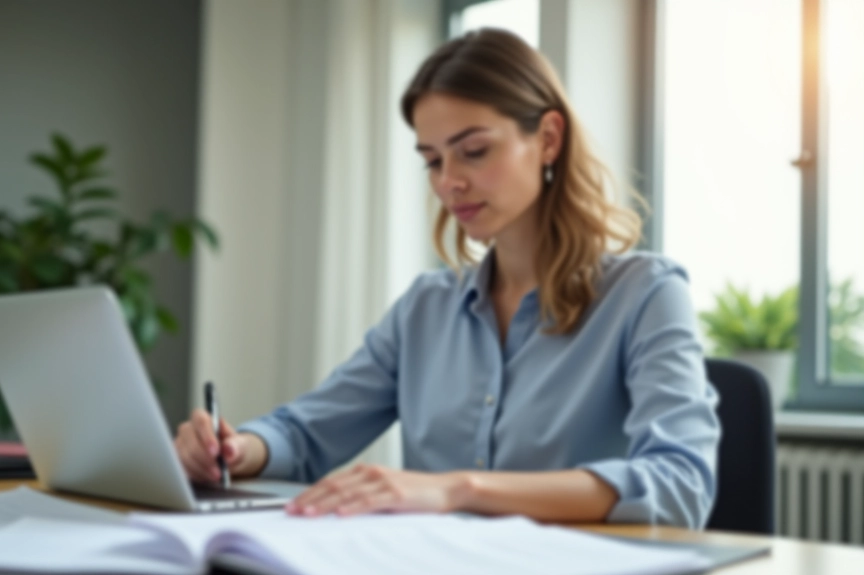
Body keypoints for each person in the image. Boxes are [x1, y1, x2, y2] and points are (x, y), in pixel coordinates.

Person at [174, 28, 720, 529]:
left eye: (474, 152)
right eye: (432, 161)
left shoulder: (646, 295)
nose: (450, 182)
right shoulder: (426, 307)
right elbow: (305, 431)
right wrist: (239, 449)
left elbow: (680, 485)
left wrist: (457, 489)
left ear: (549, 138)